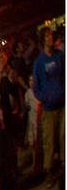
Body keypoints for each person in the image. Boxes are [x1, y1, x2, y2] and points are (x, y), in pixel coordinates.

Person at [32, 27, 63, 179]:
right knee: (50, 140)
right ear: (43, 39)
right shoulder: (39, 62)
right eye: (48, 36)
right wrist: (44, 97)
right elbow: (36, 86)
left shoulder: (59, 56)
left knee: (64, 136)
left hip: (62, 104)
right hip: (49, 107)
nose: (52, 38)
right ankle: (49, 170)